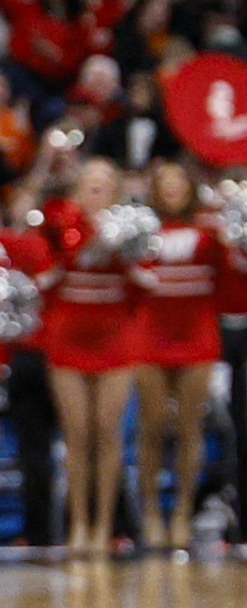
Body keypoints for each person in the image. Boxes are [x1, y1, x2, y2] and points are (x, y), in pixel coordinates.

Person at [124, 158, 237, 554]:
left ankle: (183, 513)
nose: (172, 187)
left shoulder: (210, 230)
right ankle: (152, 512)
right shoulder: (139, 227)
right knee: (152, 425)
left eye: (179, 180)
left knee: (191, 427)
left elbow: (228, 276)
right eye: (165, 180)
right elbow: (129, 278)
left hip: (197, 331)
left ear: (190, 187)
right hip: (150, 332)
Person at [38, 158, 144, 558]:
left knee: (107, 432)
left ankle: (104, 526)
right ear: (77, 189)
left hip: (114, 338)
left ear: (115, 190)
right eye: (89, 183)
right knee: (76, 434)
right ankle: (78, 525)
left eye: (104, 183)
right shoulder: (58, 225)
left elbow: (144, 283)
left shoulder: (131, 226)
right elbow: (44, 279)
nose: (96, 190)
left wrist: (125, 253)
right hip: (68, 337)